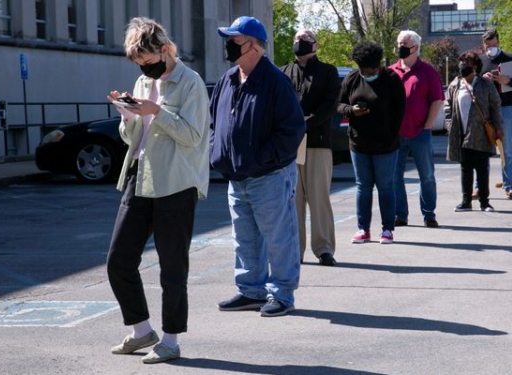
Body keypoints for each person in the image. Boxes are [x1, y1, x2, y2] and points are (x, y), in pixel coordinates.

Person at [105, 17, 210, 364]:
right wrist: (128, 116)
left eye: (149, 63)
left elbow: (194, 137)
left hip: (176, 184)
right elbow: (133, 137)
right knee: (118, 260)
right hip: (141, 176)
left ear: (165, 50)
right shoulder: (140, 80)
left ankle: (170, 340)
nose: (145, 70)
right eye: (140, 65)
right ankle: (141, 331)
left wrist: (156, 112)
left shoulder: (190, 82)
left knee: (172, 268)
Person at [210, 16, 305, 317]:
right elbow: (215, 122)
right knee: (245, 238)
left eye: (233, 40)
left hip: (270, 176)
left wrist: (263, 158)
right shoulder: (228, 79)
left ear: (252, 45)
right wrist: (218, 152)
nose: (227, 46)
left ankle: (282, 294)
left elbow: (292, 130)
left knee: (279, 237)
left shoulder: (276, 81)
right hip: (237, 176)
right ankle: (251, 290)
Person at [280, 29, 340, 267]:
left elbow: (329, 105)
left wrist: (305, 121)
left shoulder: (328, 72)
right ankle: (295, 250)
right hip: (290, 146)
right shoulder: (283, 72)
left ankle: (324, 249)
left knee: (319, 198)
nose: (298, 42)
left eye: (304, 40)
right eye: (296, 39)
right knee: (293, 201)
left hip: (317, 141)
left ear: (315, 46)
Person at [338, 40, 406, 244]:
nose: (366, 74)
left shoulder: (392, 80)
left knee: (385, 186)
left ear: (378, 66)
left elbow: (399, 113)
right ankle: (363, 229)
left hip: (386, 145)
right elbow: (339, 104)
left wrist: (391, 138)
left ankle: (387, 229)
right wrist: (352, 111)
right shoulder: (351, 78)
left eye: (370, 71)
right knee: (363, 187)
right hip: (359, 144)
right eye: (363, 71)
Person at [389, 30, 444, 228]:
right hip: (395, 134)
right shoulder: (390, 71)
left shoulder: (428, 72)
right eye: (399, 43)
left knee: (426, 175)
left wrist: (428, 125)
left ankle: (429, 214)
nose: (400, 47)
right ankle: (400, 214)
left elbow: (437, 100)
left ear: (416, 48)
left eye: (405, 44)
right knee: (395, 176)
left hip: (420, 132)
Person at [444, 51, 503, 212]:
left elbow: (495, 106)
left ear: (475, 67)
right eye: (462, 62)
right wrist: (450, 125)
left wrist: (499, 128)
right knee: (465, 167)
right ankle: (466, 200)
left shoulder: (485, 84)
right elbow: (447, 106)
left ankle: (484, 201)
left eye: (467, 63)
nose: (463, 66)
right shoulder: (455, 84)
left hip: (481, 132)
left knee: (482, 167)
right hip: (461, 132)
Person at [479, 29, 512, 200]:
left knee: (506, 149)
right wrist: (481, 79)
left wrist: (507, 81)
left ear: (498, 42)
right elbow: (472, 83)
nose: (490, 47)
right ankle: (480, 188)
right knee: (483, 150)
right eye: (487, 44)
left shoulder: (509, 58)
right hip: (485, 109)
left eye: (493, 44)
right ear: (483, 45)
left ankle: (509, 186)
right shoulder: (480, 60)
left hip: (505, 107)